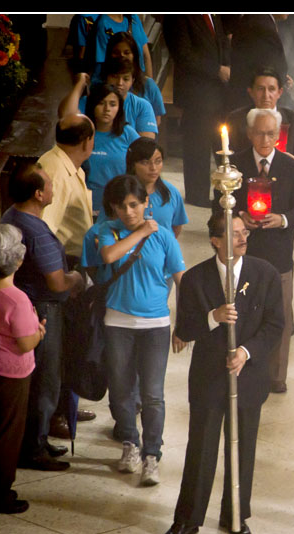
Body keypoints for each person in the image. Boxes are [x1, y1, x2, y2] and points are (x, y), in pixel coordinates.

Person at [165, 213, 284, 534]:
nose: (243, 238)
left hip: (248, 376)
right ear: (215, 241)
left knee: (243, 448)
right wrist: (213, 317)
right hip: (209, 377)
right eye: (234, 234)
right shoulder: (195, 279)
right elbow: (185, 329)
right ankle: (188, 518)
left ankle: (235, 514)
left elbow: (276, 324)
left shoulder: (265, 274)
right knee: (200, 448)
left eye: (244, 232)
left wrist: (245, 352)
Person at [95, 175, 186, 486]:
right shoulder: (108, 231)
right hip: (117, 323)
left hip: (155, 325)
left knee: (152, 394)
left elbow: (181, 280)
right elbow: (109, 256)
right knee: (121, 391)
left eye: (134, 204)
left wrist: (184, 324)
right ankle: (130, 444)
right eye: (121, 206)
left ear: (146, 203)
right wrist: (142, 231)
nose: (128, 212)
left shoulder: (163, 237)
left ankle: (151, 455)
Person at [216, 108, 294, 394]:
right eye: (260, 133)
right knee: (242, 314)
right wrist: (239, 217)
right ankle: (241, 369)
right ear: (249, 134)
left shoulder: (290, 166)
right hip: (243, 255)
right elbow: (216, 208)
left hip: (279, 255)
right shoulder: (235, 165)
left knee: (280, 318)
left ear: (279, 134)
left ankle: (276, 376)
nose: (266, 139)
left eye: (271, 134)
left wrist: (282, 219)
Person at [1, 163, 84, 471]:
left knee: (38, 380)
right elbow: (57, 282)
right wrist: (77, 279)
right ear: (38, 194)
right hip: (44, 309)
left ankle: (37, 440)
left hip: (27, 305)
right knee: (46, 381)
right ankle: (34, 449)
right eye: (48, 184)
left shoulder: (11, 216)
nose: (52, 188)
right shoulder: (36, 231)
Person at [0, 220, 45, 513]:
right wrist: (40, 331)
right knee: (7, 437)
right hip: (11, 374)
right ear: (17, 261)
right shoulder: (16, 298)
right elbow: (25, 343)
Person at [162, 15, 231, 207]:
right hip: (196, 93)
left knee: (221, 143)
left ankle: (225, 190)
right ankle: (197, 195)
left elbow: (221, 43)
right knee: (197, 146)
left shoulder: (213, 16)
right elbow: (183, 54)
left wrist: (228, 65)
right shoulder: (179, 18)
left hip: (218, 93)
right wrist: (217, 69)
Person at [224, 66, 294, 173]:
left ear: (279, 92)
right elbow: (227, 157)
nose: (266, 95)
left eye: (271, 89)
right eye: (260, 89)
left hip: (284, 178)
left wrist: (293, 162)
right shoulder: (236, 119)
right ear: (251, 92)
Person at [37, 114, 95, 261]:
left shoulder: (74, 168)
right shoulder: (56, 173)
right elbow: (44, 228)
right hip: (60, 261)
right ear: (86, 142)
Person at [77, 82, 140, 214]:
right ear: (92, 105)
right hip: (86, 205)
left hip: (121, 207)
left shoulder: (128, 133)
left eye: (112, 104)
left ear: (119, 108)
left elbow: (144, 160)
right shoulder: (82, 133)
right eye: (101, 103)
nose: (107, 109)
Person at [122, 137, 187, 237]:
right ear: (132, 165)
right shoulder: (119, 192)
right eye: (145, 162)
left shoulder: (171, 192)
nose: (153, 168)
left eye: (158, 161)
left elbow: (176, 227)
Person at [102, 31, 165, 128]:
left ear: (134, 55)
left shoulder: (148, 85)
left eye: (126, 52)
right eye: (116, 52)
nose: (122, 56)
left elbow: (157, 120)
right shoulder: (100, 85)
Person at [84, 14, 152, 79]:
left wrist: (150, 83)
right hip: (119, 81)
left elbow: (146, 56)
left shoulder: (133, 18)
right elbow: (101, 66)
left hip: (139, 78)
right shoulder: (104, 25)